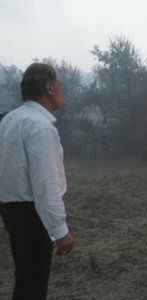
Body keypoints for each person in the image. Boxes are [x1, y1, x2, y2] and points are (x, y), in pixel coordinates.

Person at [0, 63, 75, 300]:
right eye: (60, 85)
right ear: (49, 88)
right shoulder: (40, 126)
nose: (62, 90)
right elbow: (45, 185)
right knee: (33, 285)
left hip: (11, 211)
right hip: (31, 216)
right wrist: (60, 231)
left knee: (25, 280)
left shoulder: (10, 119)